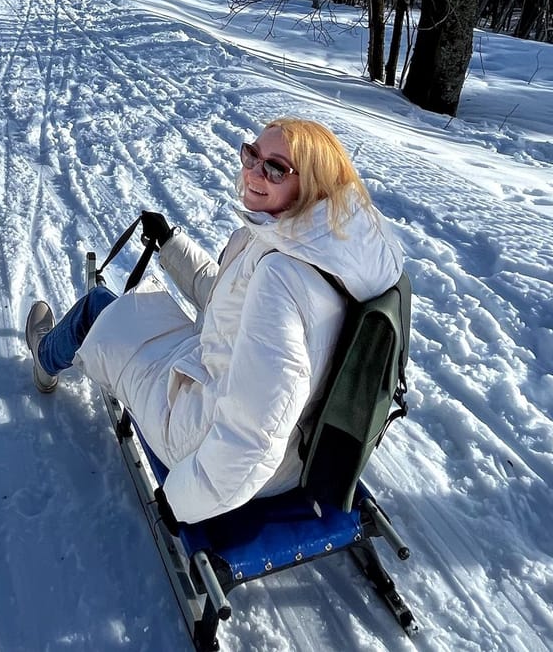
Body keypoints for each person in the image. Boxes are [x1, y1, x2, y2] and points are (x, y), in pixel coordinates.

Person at [23, 117, 404, 524]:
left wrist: (183, 501)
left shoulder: (282, 276)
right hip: (299, 450)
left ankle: (45, 358)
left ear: (311, 185)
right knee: (142, 314)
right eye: (252, 154)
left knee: (100, 308)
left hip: (203, 439)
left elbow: (252, 435)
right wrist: (171, 245)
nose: (255, 171)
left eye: (276, 168)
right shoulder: (333, 250)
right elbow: (227, 300)